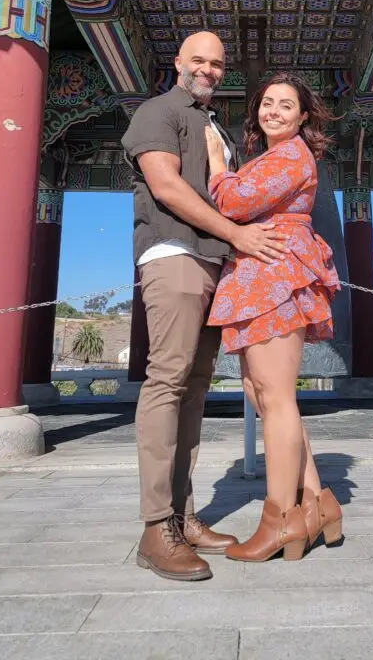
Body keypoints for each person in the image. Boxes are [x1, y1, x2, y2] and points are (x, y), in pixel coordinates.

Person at [122, 31, 286, 582]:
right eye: (199, 60)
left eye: (217, 64)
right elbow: (166, 187)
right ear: (178, 62)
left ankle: (184, 516)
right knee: (167, 381)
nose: (209, 70)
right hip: (175, 254)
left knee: (194, 388)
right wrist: (238, 237)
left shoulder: (216, 126)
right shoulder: (159, 110)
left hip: (217, 262)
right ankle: (154, 527)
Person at [205, 72, 343, 563]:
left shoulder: (290, 155)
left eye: (287, 105)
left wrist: (219, 165)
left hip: (276, 272)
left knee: (276, 398)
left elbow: (234, 203)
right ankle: (319, 504)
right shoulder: (270, 157)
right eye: (267, 103)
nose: (274, 112)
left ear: (304, 116)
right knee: (262, 394)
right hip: (260, 273)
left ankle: (280, 518)